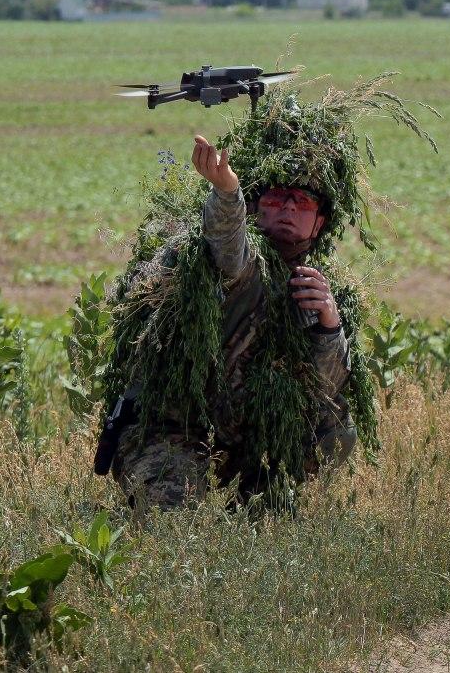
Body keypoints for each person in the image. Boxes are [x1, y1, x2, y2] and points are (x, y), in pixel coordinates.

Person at [96, 135, 358, 510]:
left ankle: (264, 499)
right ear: (255, 210)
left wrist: (329, 328)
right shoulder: (239, 265)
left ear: (319, 224)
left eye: (302, 202)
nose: (287, 208)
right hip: (174, 429)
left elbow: (325, 389)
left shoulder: (319, 287)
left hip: (245, 438)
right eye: (274, 198)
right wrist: (227, 191)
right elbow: (228, 243)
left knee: (336, 427)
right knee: (170, 526)